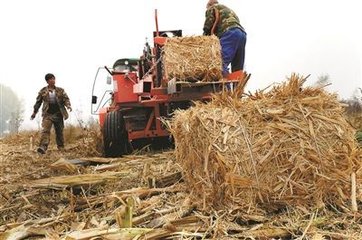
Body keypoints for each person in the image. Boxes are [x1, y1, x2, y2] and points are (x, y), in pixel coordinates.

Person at [203, 0, 247, 77]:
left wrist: (203, 41)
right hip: (242, 34)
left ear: (209, 5)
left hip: (229, 33)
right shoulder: (229, 10)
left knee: (219, 62)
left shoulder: (212, 8)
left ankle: (226, 88)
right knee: (237, 67)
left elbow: (208, 26)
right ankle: (238, 88)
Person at [31, 73, 72, 154]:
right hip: (48, 114)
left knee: (59, 131)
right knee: (45, 131)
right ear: (47, 81)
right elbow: (38, 102)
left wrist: (68, 106)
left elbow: (66, 99)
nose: (53, 80)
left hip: (58, 113)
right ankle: (43, 147)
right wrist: (34, 112)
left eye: (54, 79)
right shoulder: (43, 91)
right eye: (51, 79)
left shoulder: (60, 90)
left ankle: (61, 147)